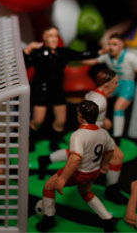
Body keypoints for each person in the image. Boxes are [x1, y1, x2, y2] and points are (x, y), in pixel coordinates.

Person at [39, 67, 126, 204]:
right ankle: (111, 190)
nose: (117, 84)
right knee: (117, 156)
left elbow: (92, 110)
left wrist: (103, 120)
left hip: (92, 131)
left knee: (77, 152)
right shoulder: (100, 100)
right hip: (94, 132)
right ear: (106, 84)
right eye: (115, 82)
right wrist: (101, 125)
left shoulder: (95, 94)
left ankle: (46, 159)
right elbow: (89, 115)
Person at [36, 99, 116, 232]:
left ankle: (48, 219)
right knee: (85, 192)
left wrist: (62, 179)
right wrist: (105, 165)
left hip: (79, 173)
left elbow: (75, 158)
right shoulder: (103, 133)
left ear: (80, 115)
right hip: (93, 171)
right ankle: (108, 219)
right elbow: (110, 149)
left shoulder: (78, 135)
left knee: (49, 186)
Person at [24, 26, 96, 148]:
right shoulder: (39, 53)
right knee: (38, 120)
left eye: (56, 36)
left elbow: (80, 55)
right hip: (42, 90)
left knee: (61, 120)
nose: (54, 39)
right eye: (51, 36)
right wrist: (28, 49)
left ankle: (55, 142)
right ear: (45, 38)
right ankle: (30, 141)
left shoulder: (62, 52)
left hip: (57, 90)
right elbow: (25, 63)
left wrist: (101, 52)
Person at [90, 34, 137, 138]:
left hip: (127, 84)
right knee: (97, 98)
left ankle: (117, 137)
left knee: (118, 107)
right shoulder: (107, 56)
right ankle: (95, 128)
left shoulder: (130, 57)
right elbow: (92, 61)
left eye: (114, 44)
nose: (111, 47)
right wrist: (75, 57)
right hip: (114, 83)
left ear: (121, 45)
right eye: (109, 44)